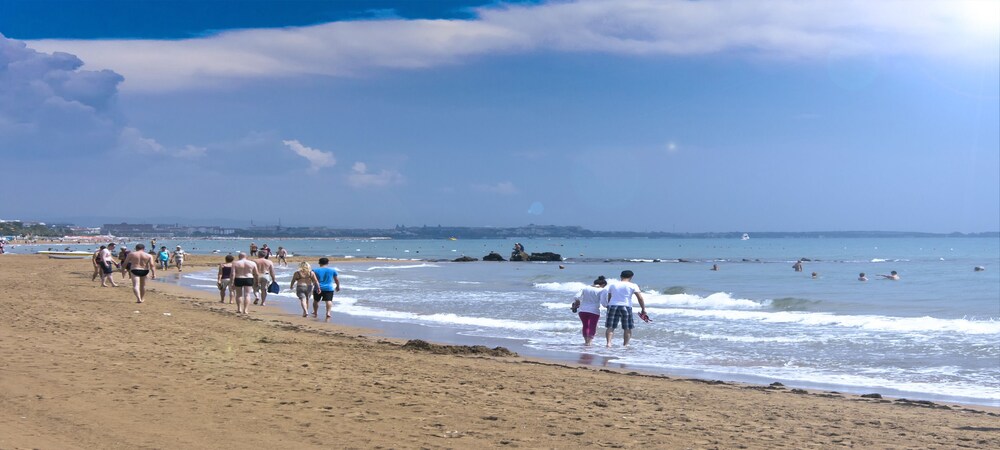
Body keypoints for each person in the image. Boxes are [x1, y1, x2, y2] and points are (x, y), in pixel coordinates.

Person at [605, 270, 647, 348]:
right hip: (626, 306)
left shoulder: (613, 285)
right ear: (631, 277)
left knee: (610, 326)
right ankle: (625, 345)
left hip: (613, 305)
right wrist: (643, 308)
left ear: (621, 276)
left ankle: (608, 343)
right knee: (627, 327)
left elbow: (609, 297)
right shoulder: (633, 285)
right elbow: (640, 298)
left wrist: (608, 305)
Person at [572, 276, 608, 346]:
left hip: (582, 310)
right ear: (603, 285)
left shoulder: (585, 288)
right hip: (594, 311)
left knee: (585, 325)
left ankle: (586, 341)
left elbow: (576, 296)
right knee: (592, 326)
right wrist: (608, 306)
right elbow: (603, 303)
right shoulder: (602, 290)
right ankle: (589, 342)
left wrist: (577, 302)